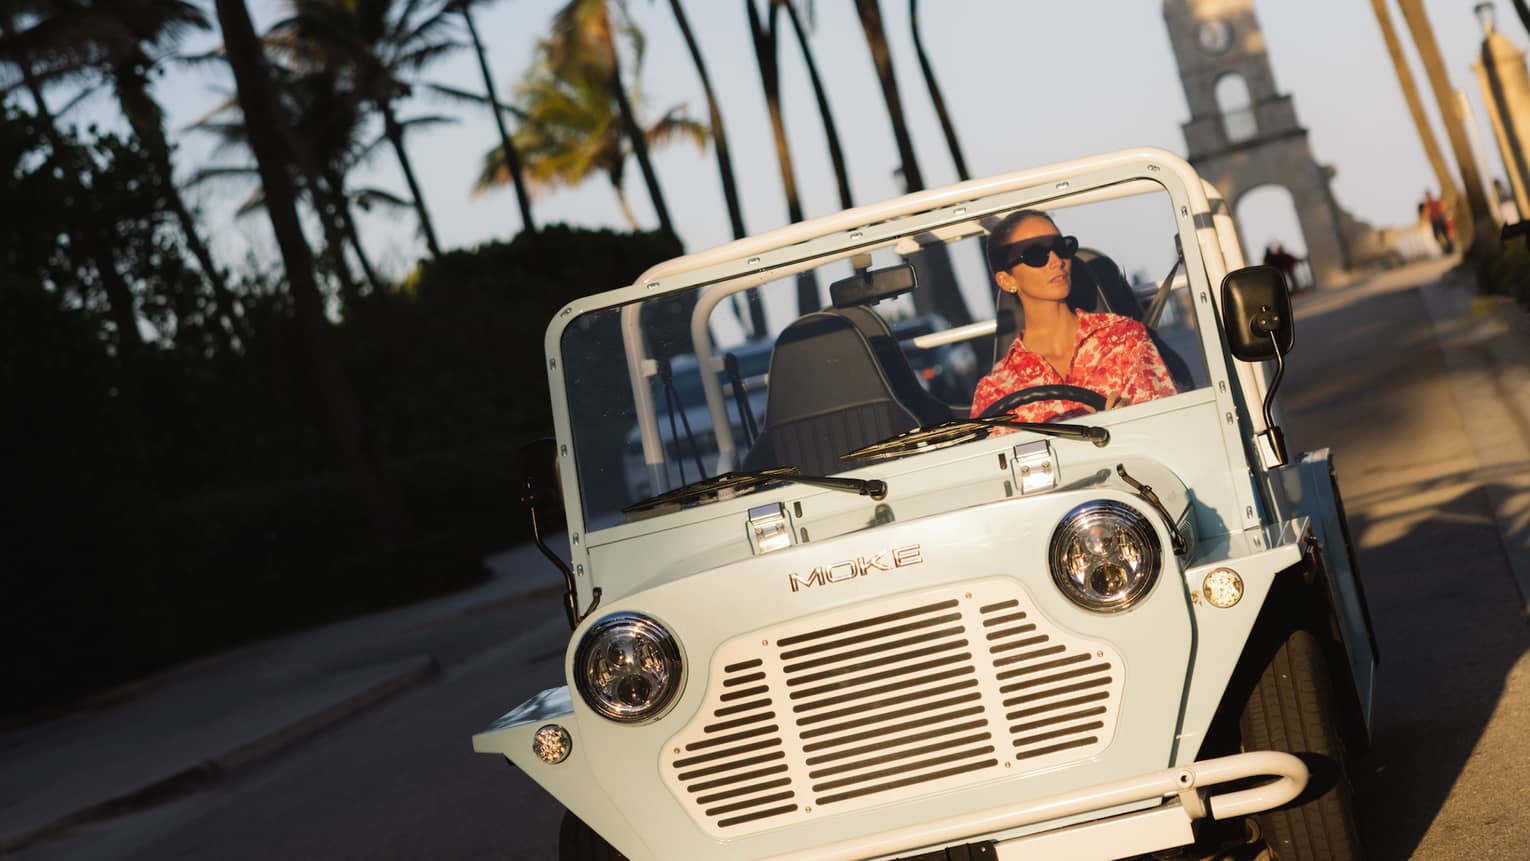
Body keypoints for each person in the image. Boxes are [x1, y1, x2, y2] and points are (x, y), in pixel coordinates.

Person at [970, 210, 1179, 424]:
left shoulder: (1125, 338)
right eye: (1036, 254)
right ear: (1006, 280)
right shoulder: (994, 389)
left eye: (1062, 248)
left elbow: (1168, 426)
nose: (1056, 261)